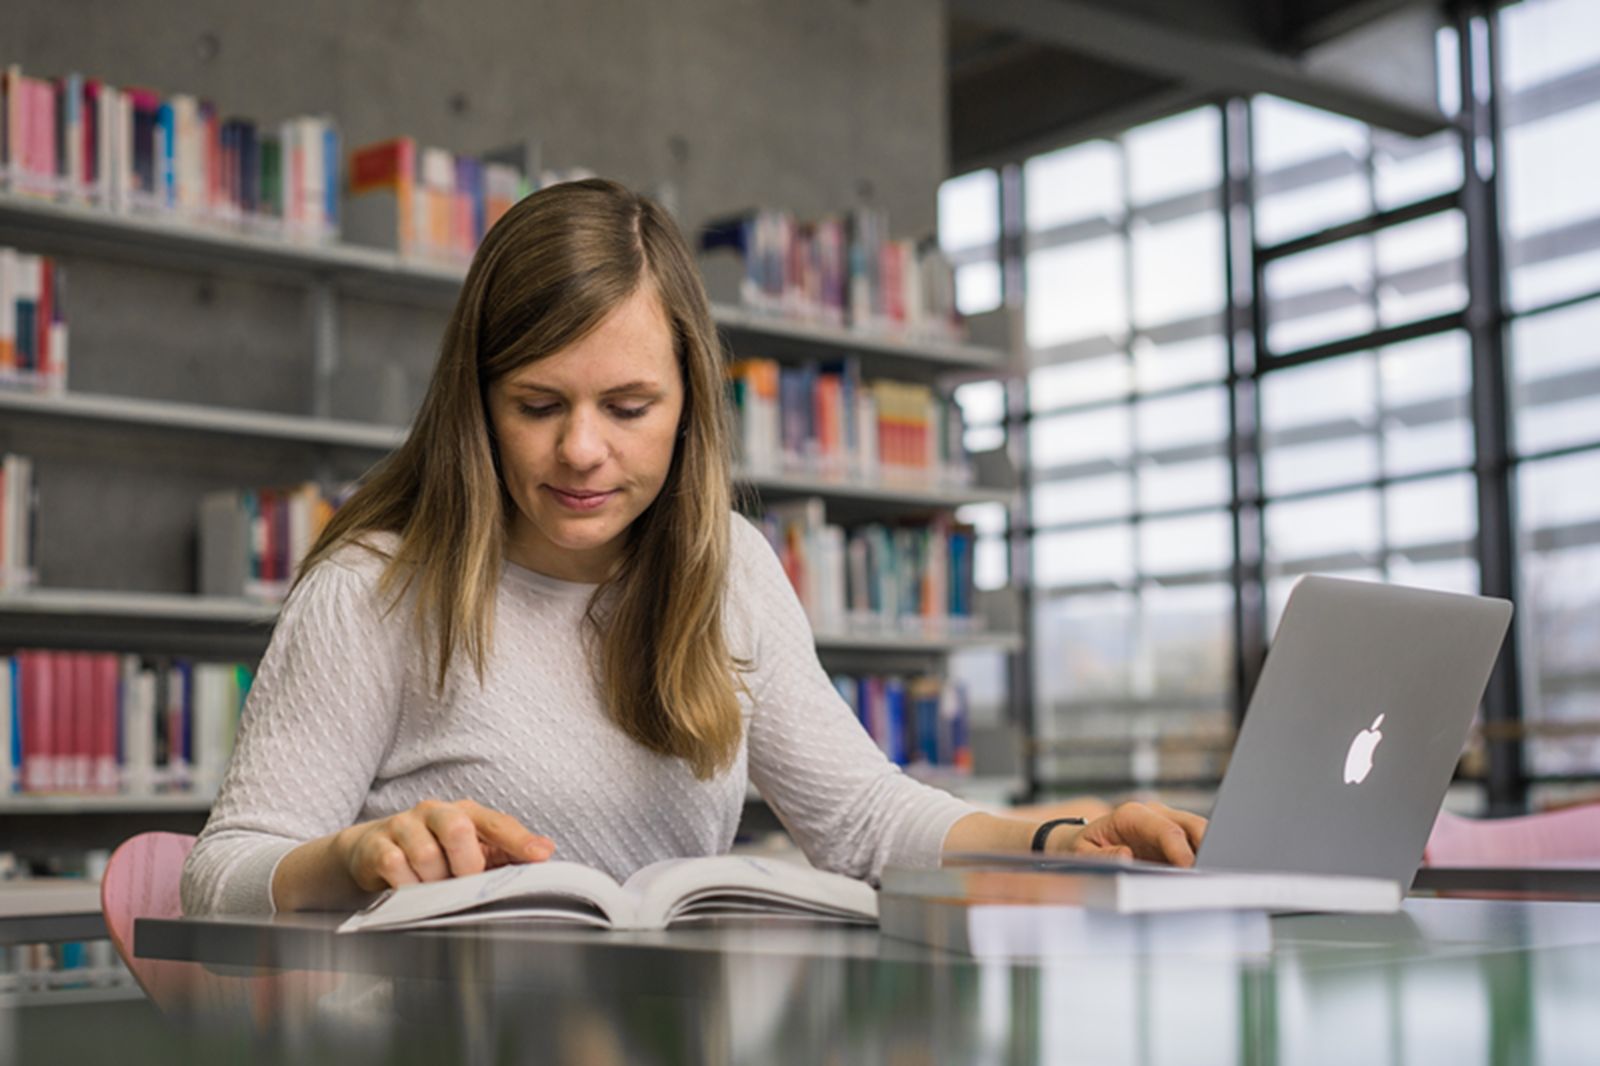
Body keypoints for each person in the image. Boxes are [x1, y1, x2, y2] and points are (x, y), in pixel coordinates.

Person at [180, 179, 1206, 916]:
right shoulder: (374, 591)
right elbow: (216, 874)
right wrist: (351, 855)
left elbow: (862, 818)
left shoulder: (731, 567)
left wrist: (1062, 840)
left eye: (629, 406)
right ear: (477, 406)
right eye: (537, 405)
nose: (582, 450)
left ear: (687, 406)